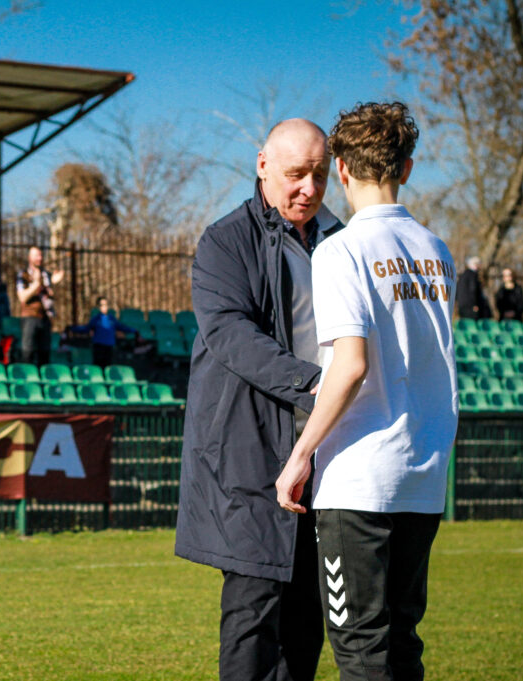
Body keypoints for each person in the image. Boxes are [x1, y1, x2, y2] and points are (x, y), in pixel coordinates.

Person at [276, 101, 457, 681]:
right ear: (406, 168)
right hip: (423, 474)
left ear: (342, 170)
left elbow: (350, 365)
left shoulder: (341, 249)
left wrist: (300, 455)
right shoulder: (436, 250)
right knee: (402, 642)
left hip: (358, 480)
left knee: (359, 647)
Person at [175, 118, 342, 681]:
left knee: (308, 617)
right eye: (296, 174)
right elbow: (229, 334)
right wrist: (316, 384)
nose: (310, 189)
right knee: (253, 613)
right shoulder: (224, 240)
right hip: (249, 455)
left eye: (320, 175)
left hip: (326, 452)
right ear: (263, 165)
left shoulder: (343, 241)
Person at [15, 246, 63, 366]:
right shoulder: (23, 274)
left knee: (44, 354)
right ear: (29, 257)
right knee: (28, 352)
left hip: (45, 318)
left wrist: (54, 284)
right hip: (29, 317)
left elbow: (52, 296)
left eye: (41, 255)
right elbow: (22, 297)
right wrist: (36, 284)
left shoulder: (46, 275)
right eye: (36, 255)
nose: (40, 258)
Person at [69, 296, 138, 368]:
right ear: (98, 307)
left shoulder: (112, 319)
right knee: (98, 367)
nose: (103, 307)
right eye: (101, 305)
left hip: (109, 347)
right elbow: (86, 328)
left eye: (105, 305)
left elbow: (122, 327)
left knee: (108, 367)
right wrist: (72, 328)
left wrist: (134, 330)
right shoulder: (96, 319)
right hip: (98, 347)